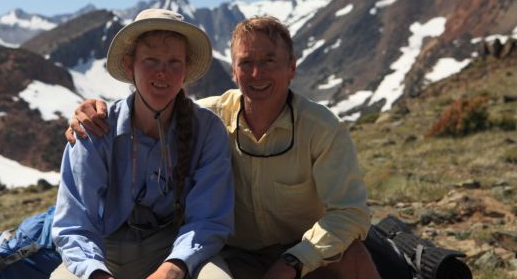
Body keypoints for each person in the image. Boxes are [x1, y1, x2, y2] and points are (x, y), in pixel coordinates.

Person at [67, 16, 380, 279]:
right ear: (233, 71)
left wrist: (294, 262)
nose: (257, 74)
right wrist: (89, 113)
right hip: (235, 254)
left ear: (292, 68)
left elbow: (350, 213)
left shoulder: (322, 128)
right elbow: (158, 106)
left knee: (355, 258)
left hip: (302, 251)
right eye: (246, 63)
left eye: (269, 61)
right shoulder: (208, 119)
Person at [52, 9, 234, 279]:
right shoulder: (95, 128)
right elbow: (74, 226)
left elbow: (208, 219)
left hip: (177, 250)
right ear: (129, 66)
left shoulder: (207, 130)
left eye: (175, 62)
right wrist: (97, 274)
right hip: (103, 253)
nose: (163, 73)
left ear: (185, 71)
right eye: (151, 60)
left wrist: (174, 268)